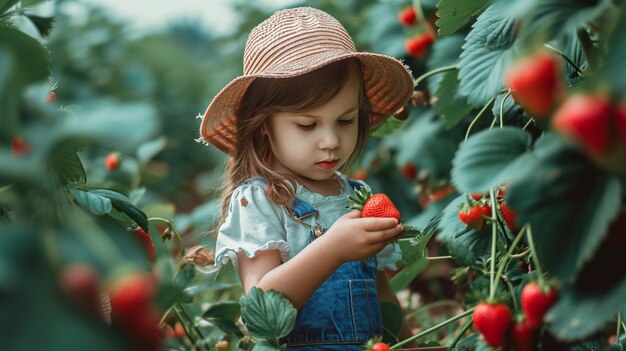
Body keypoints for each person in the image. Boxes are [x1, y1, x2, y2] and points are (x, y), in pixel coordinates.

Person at [198, 7, 415, 350]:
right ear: (265, 127)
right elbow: (261, 305)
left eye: (345, 121)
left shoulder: (359, 195)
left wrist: (408, 343)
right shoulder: (259, 200)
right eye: (307, 125)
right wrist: (332, 249)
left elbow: (381, 292)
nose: (330, 141)